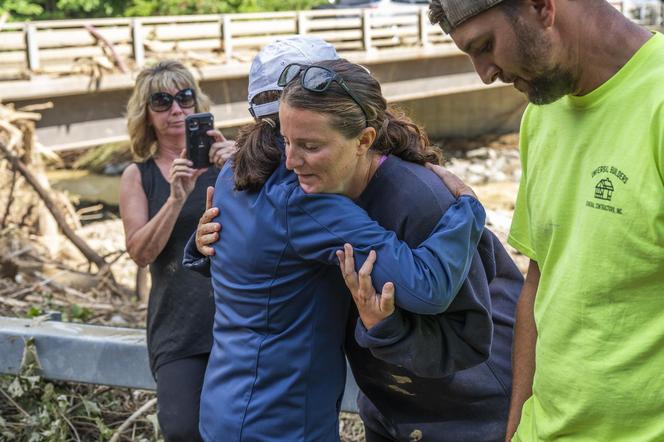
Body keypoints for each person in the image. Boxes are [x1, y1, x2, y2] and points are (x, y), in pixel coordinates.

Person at [191, 54, 523, 441]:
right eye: (284, 138)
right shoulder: (287, 190)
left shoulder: (261, 184)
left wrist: (466, 209)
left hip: (463, 411)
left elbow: (445, 307)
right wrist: (470, 208)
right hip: (358, 407)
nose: (292, 160)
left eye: (310, 145)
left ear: (363, 138)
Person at [428, 1, 664, 440]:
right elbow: (539, 279)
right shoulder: (540, 117)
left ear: (541, 6)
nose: (484, 73)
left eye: (485, 46)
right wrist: (519, 420)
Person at [119, 60, 234, 442]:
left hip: (239, 320)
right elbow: (139, 252)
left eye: (185, 97)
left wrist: (240, 166)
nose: (176, 110)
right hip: (178, 327)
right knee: (184, 429)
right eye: (162, 101)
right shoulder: (139, 175)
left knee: (242, 428)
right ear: (146, 115)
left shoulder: (230, 160)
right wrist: (175, 199)